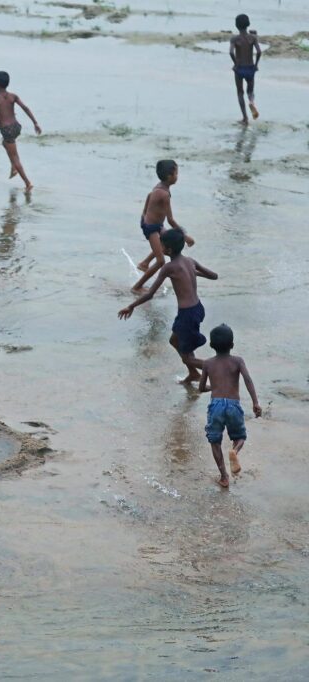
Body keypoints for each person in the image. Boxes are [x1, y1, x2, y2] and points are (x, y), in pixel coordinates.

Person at [118, 229, 218, 384]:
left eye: (162, 246)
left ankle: (220, 367)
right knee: (175, 341)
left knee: (188, 357)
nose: (160, 248)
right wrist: (194, 273)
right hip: (198, 308)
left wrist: (131, 306)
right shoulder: (190, 261)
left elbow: (150, 293)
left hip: (187, 314)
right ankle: (193, 374)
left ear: (168, 250)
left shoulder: (168, 267)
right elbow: (214, 276)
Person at [198, 324, 262, 488]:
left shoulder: (207, 363)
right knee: (240, 436)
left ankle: (224, 477)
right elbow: (248, 380)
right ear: (232, 345)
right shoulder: (238, 361)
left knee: (214, 441)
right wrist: (255, 402)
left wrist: (215, 387)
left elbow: (201, 388)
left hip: (216, 405)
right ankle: (235, 451)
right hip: (233, 405)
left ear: (211, 345)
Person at [132, 160, 196, 293]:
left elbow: (149, 196)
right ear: (169, 176)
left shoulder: (159, 188)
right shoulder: (164, 194)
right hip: (152, 227)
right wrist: (185, 237)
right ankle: (137, 287)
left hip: (154, 224)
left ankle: (144, 263)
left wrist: (144, 215)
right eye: (176, 173)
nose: (177, 176)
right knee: (161, 261)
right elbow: (171, 220)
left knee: (167, 242)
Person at [0, 71, 41, 191]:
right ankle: (13, 167)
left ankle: (27, 183)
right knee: (5, 143)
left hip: (6, 130)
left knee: (15, 157)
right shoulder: (13, 96)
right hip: (16, 127)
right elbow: (25, 108)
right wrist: (35, 123)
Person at [230, 14, 262, 125]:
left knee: (240, 92)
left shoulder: (235, 39)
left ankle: (245, 118)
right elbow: (259, 52)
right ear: (248, 24)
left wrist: (235, 63)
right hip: (250, 68)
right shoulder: (253, 38)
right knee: (250, 91)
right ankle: (252, 102)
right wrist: (256, 64)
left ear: (236, 25)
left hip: (240, 69)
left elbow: (231, 52)